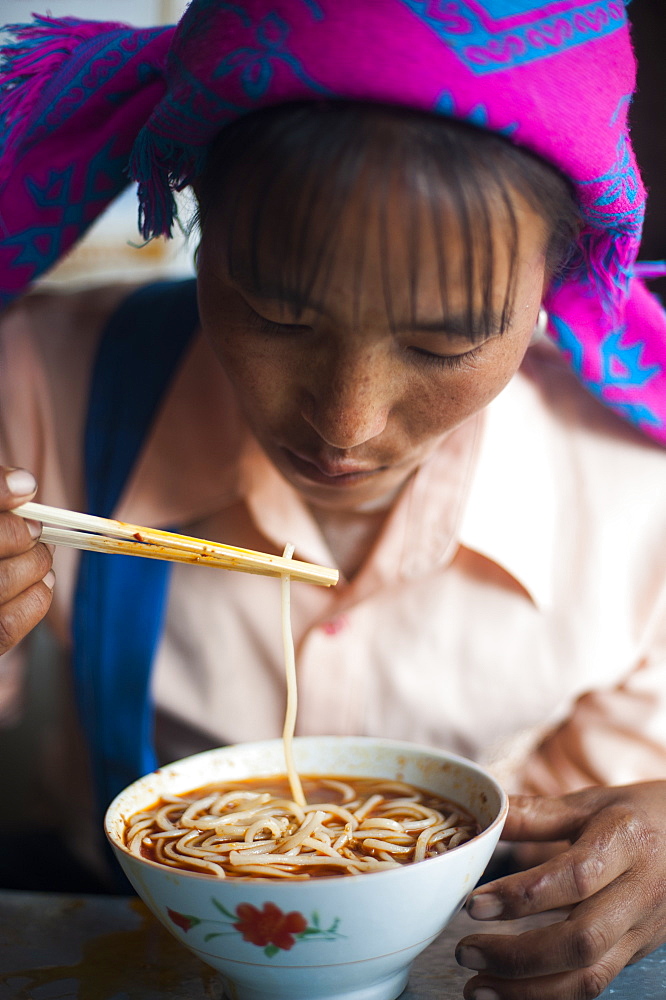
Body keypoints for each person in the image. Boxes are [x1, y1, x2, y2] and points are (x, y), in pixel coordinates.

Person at [1, 2, 665, 998]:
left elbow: (599, 825)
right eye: (276, 314)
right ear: (193, 219)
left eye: (442, 345)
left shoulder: (635, 490)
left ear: (551, 279)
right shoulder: (41, 385)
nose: (346, 424)